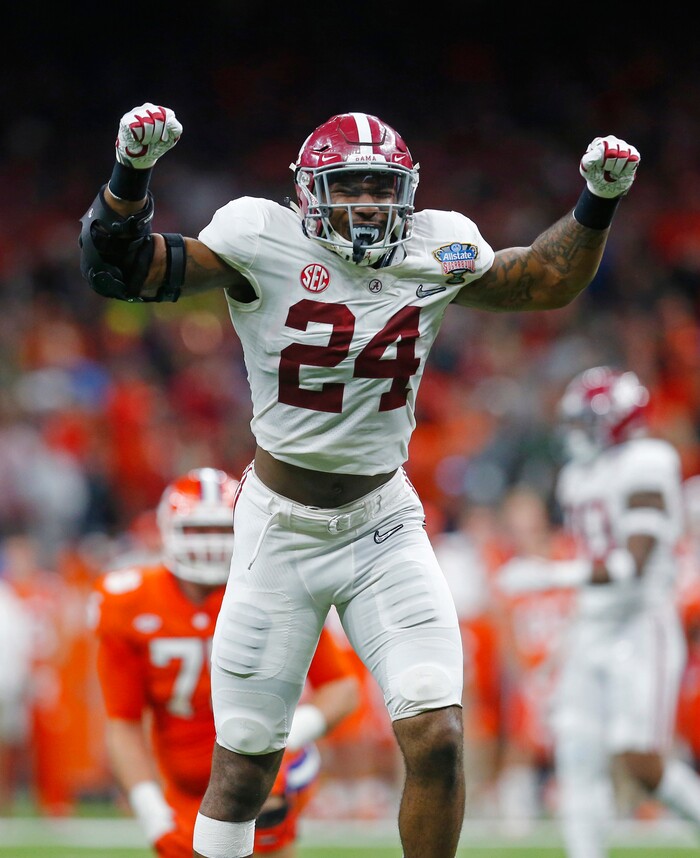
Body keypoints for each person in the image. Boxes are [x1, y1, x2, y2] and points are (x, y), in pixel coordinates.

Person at [78, 102, 640, 858]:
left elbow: (543, 280)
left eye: (382, 187)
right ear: (308, 192)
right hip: (280, 528)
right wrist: (129, 174)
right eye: (350, 185)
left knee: (438, 731)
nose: (368, 203)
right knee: (244, 765)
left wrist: (597, 199)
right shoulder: (260, 238)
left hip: (383, 522)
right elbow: (120, 270)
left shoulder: (437, 244)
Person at [90, 467, 359, 858]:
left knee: (263, 809)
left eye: (221, 529)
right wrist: (152, 812)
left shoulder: (276, 588)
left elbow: (343, 688)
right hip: (184, 783)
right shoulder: (129, 601)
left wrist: (286, 736)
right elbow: (123, 722)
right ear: (167, 532)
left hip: (266, 763)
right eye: (197, 530)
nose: (210, 542)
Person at [497, 367, 700, 858]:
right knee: (576, 751)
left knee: (640, 763)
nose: (576, 431)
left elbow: (633, 563)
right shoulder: (576, 476)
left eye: (587, 421)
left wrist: (551, 575)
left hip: (641, 622)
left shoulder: (648, 461)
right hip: (593, 623)